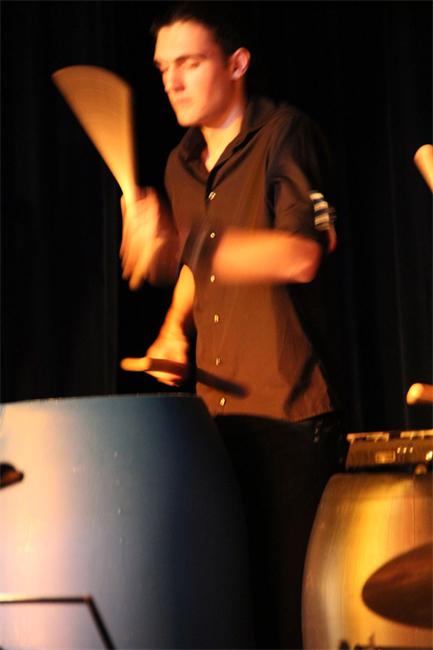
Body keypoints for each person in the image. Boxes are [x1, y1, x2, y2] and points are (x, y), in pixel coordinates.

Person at [120, 3, 345, 648]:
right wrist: (174, 328)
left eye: (189, 63)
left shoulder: (285, 135)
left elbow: (301, 256)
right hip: (216, 426)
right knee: (230, 615)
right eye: (163, 68)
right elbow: (200, 267)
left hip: (291, 418)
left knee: (291, 618)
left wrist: (182, 243)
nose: (172, 82)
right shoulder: (180, 163)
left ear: (237, 64)